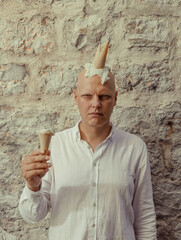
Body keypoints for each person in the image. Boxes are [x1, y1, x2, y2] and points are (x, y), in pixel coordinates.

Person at [19, 43, 157, 240]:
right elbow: (33, 216)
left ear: (115, 98)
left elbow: (144, 218)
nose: (96, 104)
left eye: (104, 96)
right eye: (87, 96)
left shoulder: (134, 148)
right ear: (76, 98)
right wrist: (33, 186)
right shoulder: (55, 146)